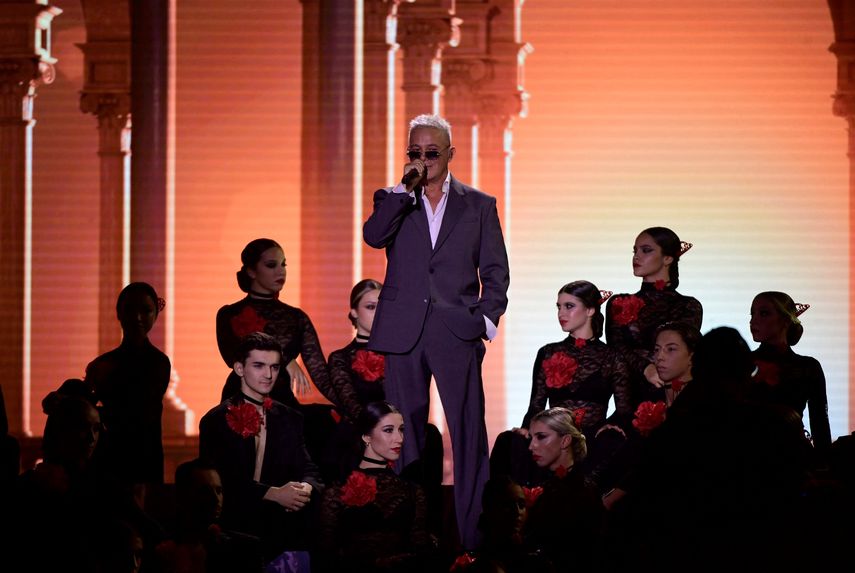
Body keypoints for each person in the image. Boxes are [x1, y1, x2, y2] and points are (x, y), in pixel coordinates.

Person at [363, 113, 510, 550]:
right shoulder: (393, 199)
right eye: (415, 152)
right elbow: (373, 237)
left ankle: (471, 542)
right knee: (400, 434)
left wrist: (484, 319)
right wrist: (401, 191)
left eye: (431, 152)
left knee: (466, 434)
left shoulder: (478, 204)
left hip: (456, 330)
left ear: (450, 154)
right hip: (403, 332)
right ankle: (405, 535)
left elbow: (496, 270)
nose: (423, 160)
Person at [199, 332, 323, 568]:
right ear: (239, 368)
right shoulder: (215, 420)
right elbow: (218, 482)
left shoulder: (290, 418)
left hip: (281, 532)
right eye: (259, 366)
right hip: (233, 532)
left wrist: (305, 487)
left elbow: (310, 470)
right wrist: (273, 493)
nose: (268, 375)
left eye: (275, 367)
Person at [491, 280, 631, 488]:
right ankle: (515, 509)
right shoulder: (548, 352)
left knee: (612, 442)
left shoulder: (613, 356)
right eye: (558, 307)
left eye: (569, 306)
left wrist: (608, 426)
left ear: (591, 310)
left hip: (590, 435)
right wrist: (526, 428)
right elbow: (536, 405)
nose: (561, 313)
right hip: (553, 436)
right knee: (509, 441)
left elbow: (624, 409)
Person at [314, 401, 437, 572]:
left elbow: (421, 550)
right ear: (366, 437)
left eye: (401, 430)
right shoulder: (336, 491)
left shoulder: (413, 491)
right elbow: (325, 557)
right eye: (388, 430)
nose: (399, 439)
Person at [216, 238, 336, 410]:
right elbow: (231, 358)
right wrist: (285, 359)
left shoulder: (296, 317)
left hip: (282, 405)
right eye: (272, 265)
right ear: (251, 271)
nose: (281, 271)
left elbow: (321, 376)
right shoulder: (228, 314)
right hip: (239, 403)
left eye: (283, 265)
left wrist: (355, 408)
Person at [85, 282, 171, 491]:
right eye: (130, 310)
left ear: (155, 315)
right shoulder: (102, 363)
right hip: (107, 458)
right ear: (119, 314)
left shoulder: (159, 362)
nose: (138, 317)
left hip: (143, 456)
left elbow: (138, 410)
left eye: (146, 310)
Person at [605, 227, 702, 406]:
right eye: (635, 251)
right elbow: (615, 349)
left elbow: (680, 352)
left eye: (646, 250)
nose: (636, 256)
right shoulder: (618, 302)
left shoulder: (688, 305)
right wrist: (645, 368)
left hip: (672, 400)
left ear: (668, 258)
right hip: (628, 399)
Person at [748, 291, 831, 455]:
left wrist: (825, 464)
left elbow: (820, 422)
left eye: (764, 313)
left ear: (785, 320)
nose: (753, 320)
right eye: (752, 314)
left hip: (793, 459)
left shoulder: (809, 367)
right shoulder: (741, 363)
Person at [524, 408, 605, 572]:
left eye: (541, 437)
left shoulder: (583, 492)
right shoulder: (545, 484)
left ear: (565, 441)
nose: (531, 446)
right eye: (531, 438)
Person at [152, 458, 264, 573]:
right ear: (182, 496)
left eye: (219, 491)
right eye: (205, 491)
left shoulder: (244, 548)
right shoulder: (161, 549)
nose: (216, 499)